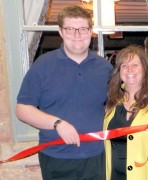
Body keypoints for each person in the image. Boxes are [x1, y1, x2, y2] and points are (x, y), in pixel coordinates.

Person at [16, 6, 113, 180]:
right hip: (55, 157)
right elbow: (22, 109)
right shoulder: (43, 65)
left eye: (83, 29)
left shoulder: (105, 68)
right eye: (70, 29)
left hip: (96, 156)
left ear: (90, 31)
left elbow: (115, 106)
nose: (77, 35)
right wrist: (57, 123)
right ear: (61, 32)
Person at [103, 45, 148, 180]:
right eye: (124, 66)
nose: (129, 69)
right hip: (115, 175)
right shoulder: (113, 101)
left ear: (145, 69)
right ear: (119, 71)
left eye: (135, 65)